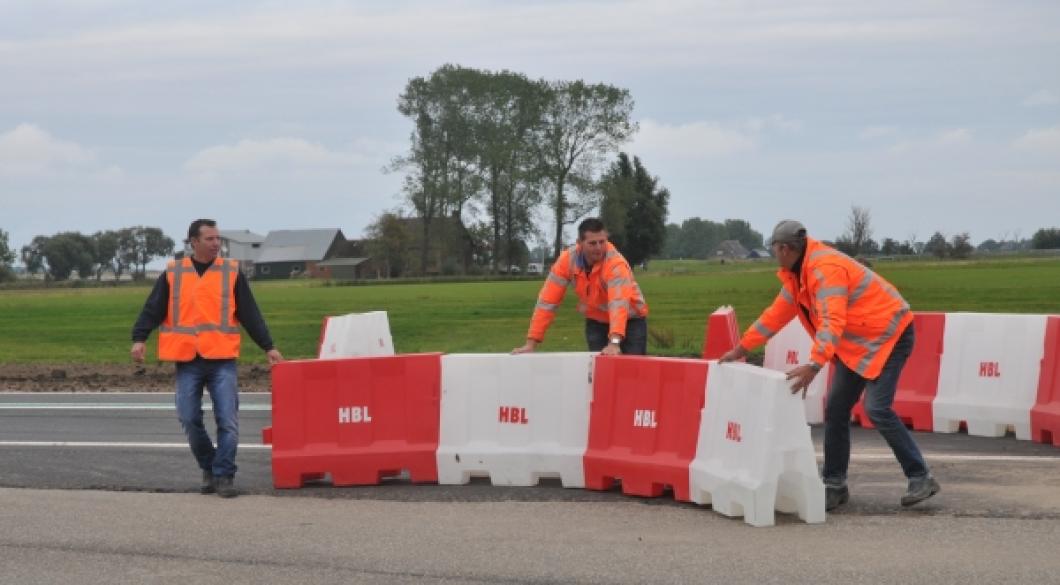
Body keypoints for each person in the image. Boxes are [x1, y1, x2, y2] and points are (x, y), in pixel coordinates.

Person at [719, 219, 939, 511]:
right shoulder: (797, 275)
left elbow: (831, 322)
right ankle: (834, 485)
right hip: (858, 343)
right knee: (836, 408)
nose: (773, 254)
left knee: (876, 408)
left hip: (890, 335)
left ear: (785, 249)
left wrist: (814, 364)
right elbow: (775, 315)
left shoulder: (825, 270)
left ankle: (920, 477)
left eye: (773, 248)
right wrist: (742, 347)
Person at [131, 219, 283, 498]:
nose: (216, 244)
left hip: (222, 357)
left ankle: (224, 475)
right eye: (210, 239)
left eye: (218, 239)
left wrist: (268, 346)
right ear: (194, 242)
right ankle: (209, 466)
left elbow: (250, 313)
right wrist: (139, 338)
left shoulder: (231, 272)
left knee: (228, 421)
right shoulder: (174, 272)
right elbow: (153, 309)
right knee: (189, 418)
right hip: (187, 359)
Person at [513, 218, 649, 356]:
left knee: (633, 372)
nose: (599, 248)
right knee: (600, 371)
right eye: (592, 243)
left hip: (630, 321)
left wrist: (614, 342)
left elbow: (618, 305)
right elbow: (547, 302)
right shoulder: (567, 261)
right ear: (579, 243)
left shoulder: (615, 265)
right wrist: (531, 343)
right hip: (596, 321)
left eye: (602, 242)